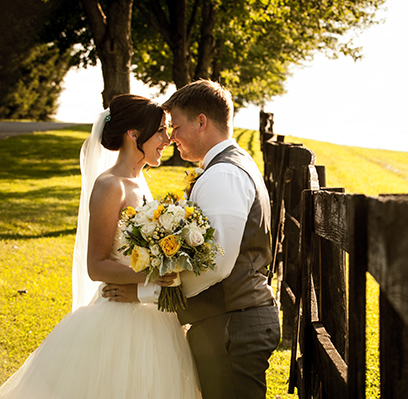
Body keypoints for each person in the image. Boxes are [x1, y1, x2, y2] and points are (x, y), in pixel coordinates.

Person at [0, 94, 201, 399]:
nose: (167, 139)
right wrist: (149, 276)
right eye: (160, 131)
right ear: (134, 135)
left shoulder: (140, 180)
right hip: (118, 317)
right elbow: (96, 266)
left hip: (154, 316)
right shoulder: (111, 185)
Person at [109, 79, 280, 399]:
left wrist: (143, 294)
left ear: (201, 122)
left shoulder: (224, 174)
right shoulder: (226, 166)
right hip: (231, 324)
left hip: (233, 326)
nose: (170, 137)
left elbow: (215, 266)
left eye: (175, 126)